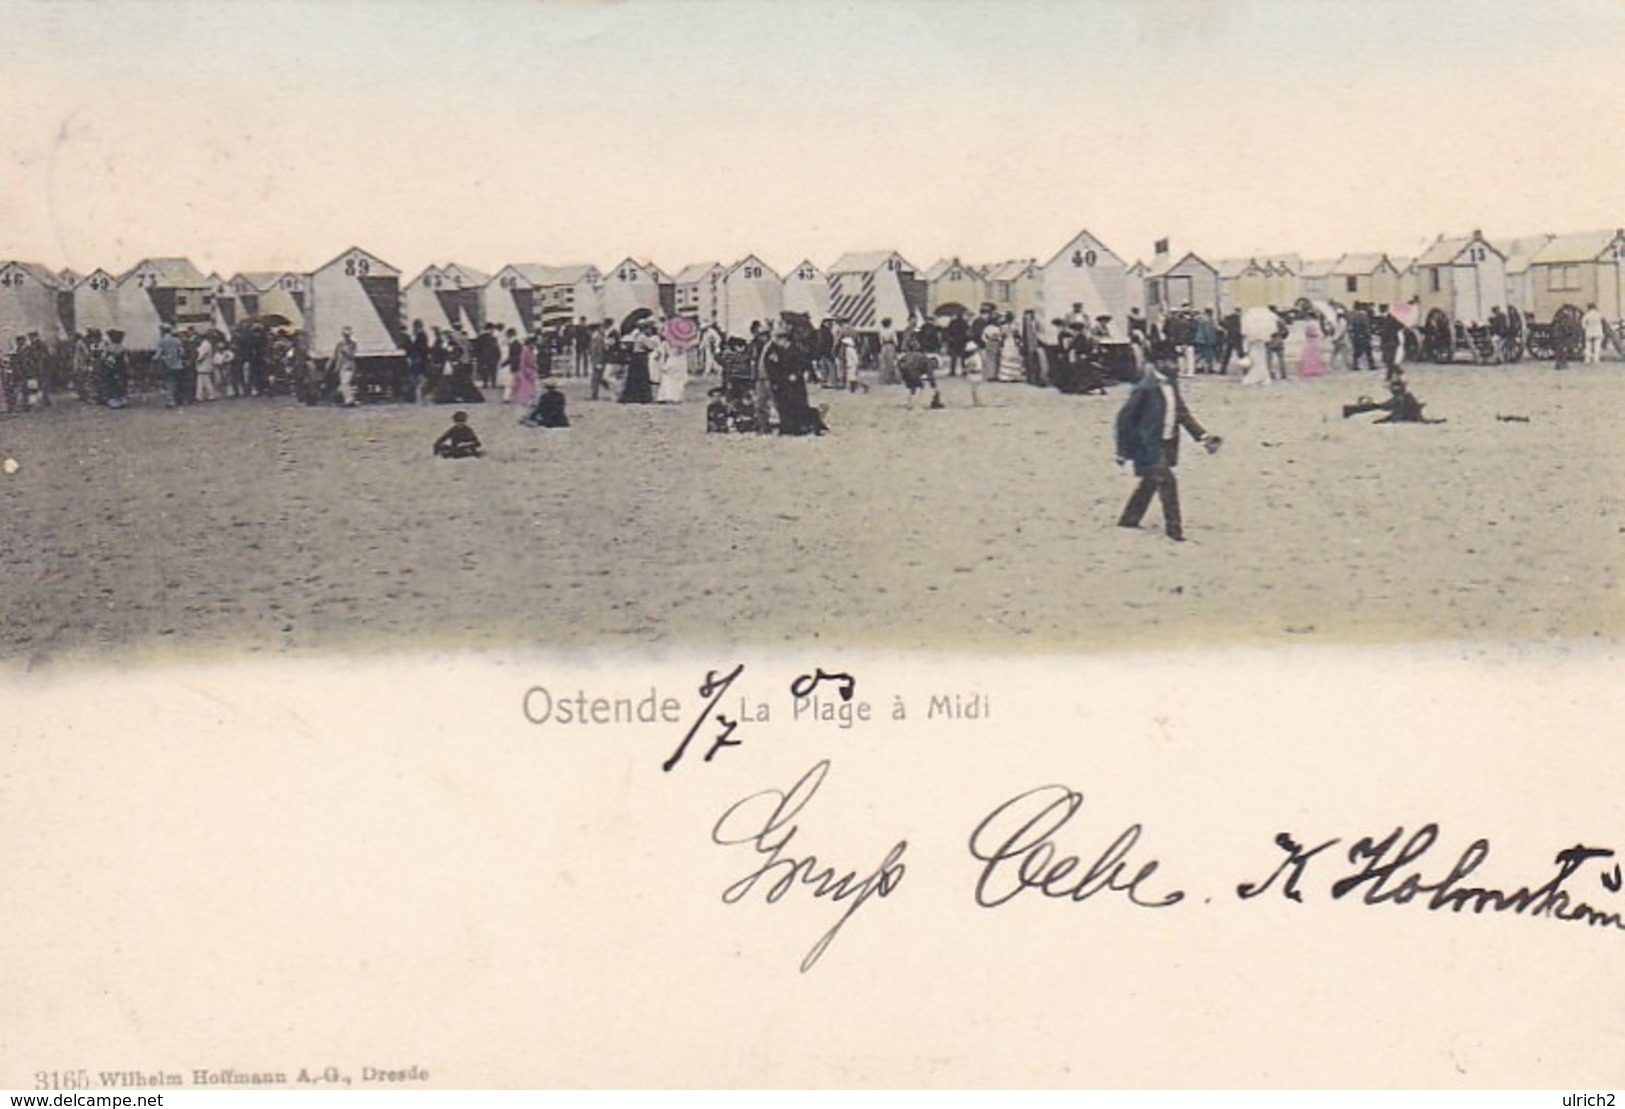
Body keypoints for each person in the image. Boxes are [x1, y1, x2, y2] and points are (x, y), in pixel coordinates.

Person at [1114, 361, 1219, 542]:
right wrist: (1122, 452)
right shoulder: (1144, 389)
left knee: (1151, 482)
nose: (1177, 365)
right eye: (1172, 361)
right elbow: (1124, 421)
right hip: (1147, 446)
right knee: (1167, 482)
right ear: (1159, 363)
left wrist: (1203, 437)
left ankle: (1130, 518)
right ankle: (1174, 529)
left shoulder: (1171, 384)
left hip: (1166, 443)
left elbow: (1182, 414)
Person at [1342, 373, 1443, 423]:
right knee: (1377, 406)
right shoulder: (1405, 397)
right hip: (1397, 409)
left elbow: (1395, 415)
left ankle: (1351, 410)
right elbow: (1396, 415)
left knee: (1377, 406)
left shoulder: (1402, 398)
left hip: (1393, 409)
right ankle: (1351, 410)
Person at [155, 324, 185, 408]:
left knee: (168, 382)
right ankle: (178, 399)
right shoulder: (177, 340)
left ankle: (171, 400)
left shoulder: (162, 341)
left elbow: (158, 355)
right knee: (177, 382)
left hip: (167, 364)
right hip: (178, 364)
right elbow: (182, 352)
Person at [331, 325, 359, 405]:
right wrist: (336, 366)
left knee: (345, 383)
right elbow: (336, 356)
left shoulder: (352, 344)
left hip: (348, 366)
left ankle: (349, 400)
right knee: (343, 384)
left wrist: (345, 351)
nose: (346, 336)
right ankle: (339, 396)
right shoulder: (340, 344)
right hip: (341, 366)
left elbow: (351, 355)